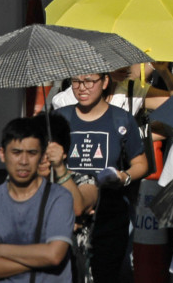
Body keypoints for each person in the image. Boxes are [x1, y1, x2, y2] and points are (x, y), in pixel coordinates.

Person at [62, 72, 149, 283]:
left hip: (110, 217)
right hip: (68, 217)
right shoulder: (59, 118)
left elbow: (141, 163)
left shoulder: (121, 119)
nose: (82, 87)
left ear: (105, 82)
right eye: (76, 81)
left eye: (89, 81)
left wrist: (124, 177)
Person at [0, 117, 76, 280]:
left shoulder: (59, 198)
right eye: (16, 153)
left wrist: (1, 250)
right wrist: (40, 258)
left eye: (32, 153)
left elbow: (54, 255)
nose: (24, 161)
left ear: (42, 156)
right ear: (2, 154)